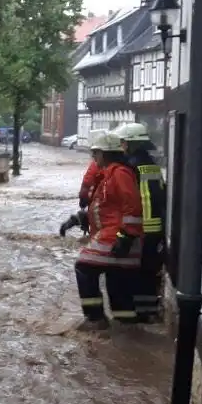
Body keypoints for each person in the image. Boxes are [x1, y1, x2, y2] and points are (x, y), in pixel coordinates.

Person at [73, 132, 144, 330]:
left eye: (95, 153)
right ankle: (126, 325)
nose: (93, 157)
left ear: (105, 153)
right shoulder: (110, 174)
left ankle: (95, 319)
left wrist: (126, 236)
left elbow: (132, 206)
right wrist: (80, 218)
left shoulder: (119, 173)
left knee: (84, 266)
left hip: (118, 237)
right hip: (117, 236)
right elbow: (106, 208)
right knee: (116, 280)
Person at [113, 122, 168, 323]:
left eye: (123, 142)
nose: (121, 146)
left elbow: (129, 200)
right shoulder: (152, 164)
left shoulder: (129, 166)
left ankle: (135, 314)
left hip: (141, 226)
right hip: (156, 226)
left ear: (130, 143)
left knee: (132, 271)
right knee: (149, 271)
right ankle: (149, 312)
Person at [78, 129, 106, 209]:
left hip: (97, 203)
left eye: (95, 153)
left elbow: (87, 182)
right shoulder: (96, 164)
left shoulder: (95, 165)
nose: (93, 156)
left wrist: (83, 198)